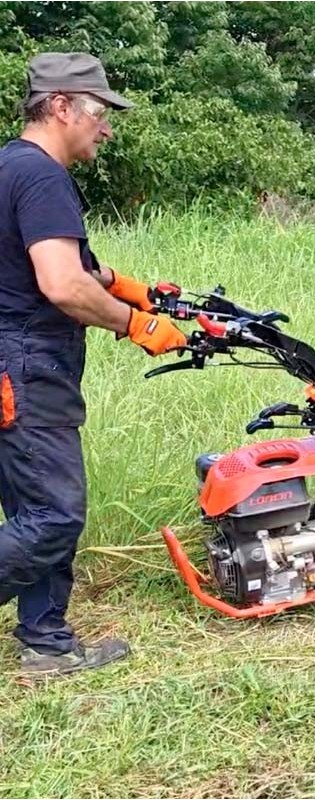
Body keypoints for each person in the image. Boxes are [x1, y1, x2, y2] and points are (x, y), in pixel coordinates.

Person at [0, 52, 187, 676]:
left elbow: (43, 264)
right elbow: (60, 284)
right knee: (54, 516)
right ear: (60, 106)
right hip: (29, 365)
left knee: (34, 509)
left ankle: (46, 641)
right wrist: (136, 323)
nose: (106, 128)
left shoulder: (10, 165)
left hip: (16, 361)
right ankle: (44, 639)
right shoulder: (42, 176)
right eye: (99, 112)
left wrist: (120, 283)